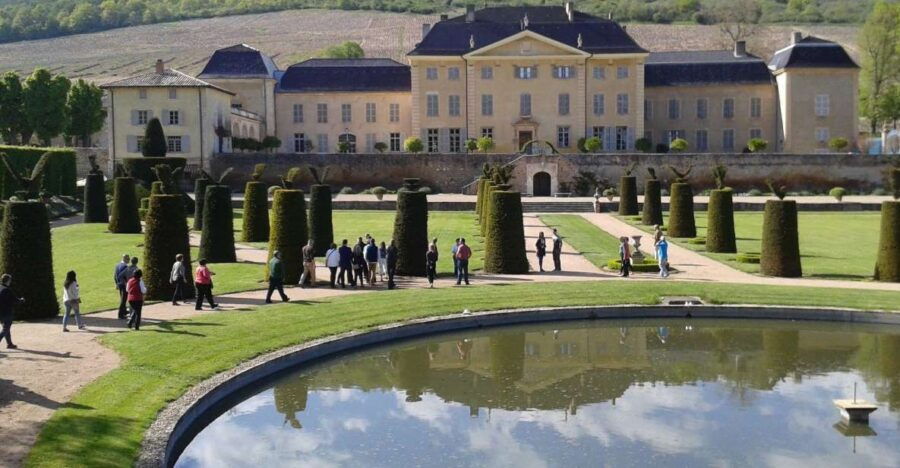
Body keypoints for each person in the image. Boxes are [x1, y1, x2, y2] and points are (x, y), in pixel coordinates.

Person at [0, 274, 23, 349]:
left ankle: (9, 344)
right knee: (6, 329)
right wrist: (22, 300)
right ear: (8, 281)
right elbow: (16, 300)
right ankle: (9, 344)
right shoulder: (7, 290)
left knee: (6, 328)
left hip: (1, 312)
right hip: (7, 312)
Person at [114, 254, 130, 319]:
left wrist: (117, 284)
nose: (129, 260)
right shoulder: (125, 266)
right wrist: (126, 284)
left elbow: (115, 276)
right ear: (125, 259)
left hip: (120, 284)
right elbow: (125, 276)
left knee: (122, 298)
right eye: (128, 259)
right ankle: (120, 315)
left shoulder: (117, 265)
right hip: (124, 285)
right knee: (123, 300)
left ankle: (124, 311)